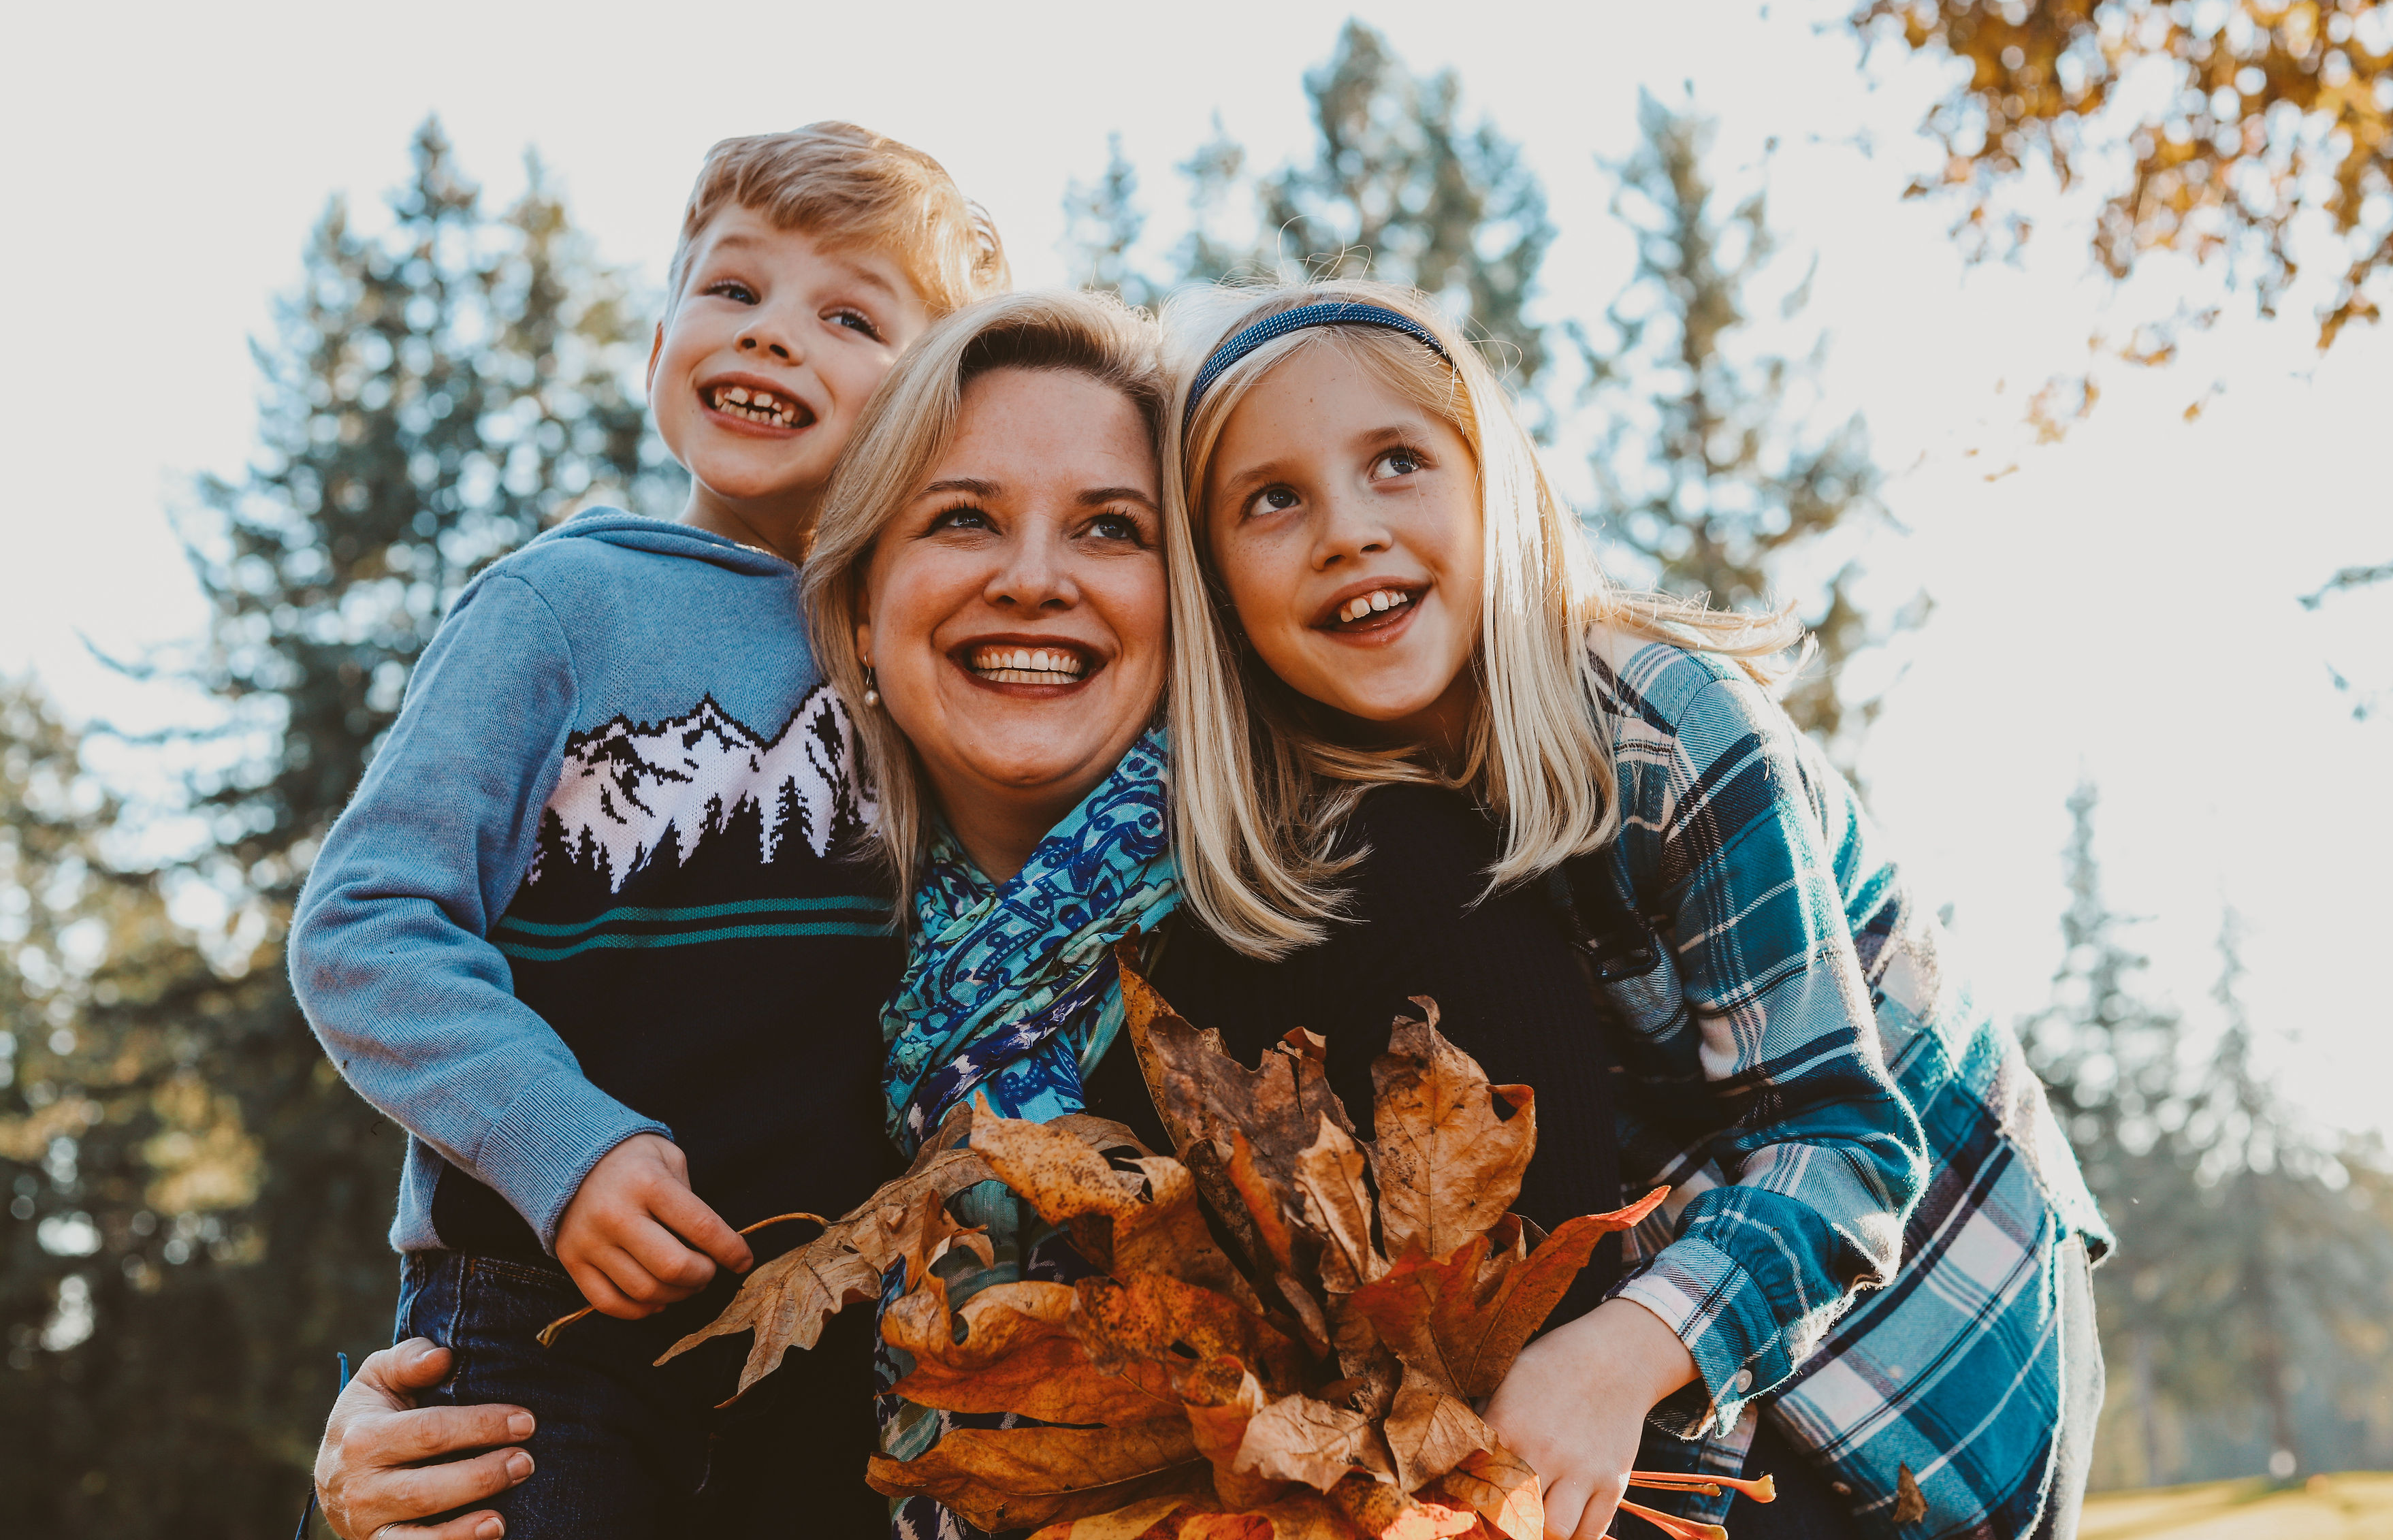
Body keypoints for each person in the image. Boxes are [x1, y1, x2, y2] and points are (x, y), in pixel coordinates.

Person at [1160, 280, 2110, 1540]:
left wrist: (1622, 1351)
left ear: (1496, 485)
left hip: (1938, 1336)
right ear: (1212, 579)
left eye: (1397, 461)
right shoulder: (1325, 817)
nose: (1348, 531)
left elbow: (1846, 1148)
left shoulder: (1668, 736)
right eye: (1273, 499)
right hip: (1720, 1353)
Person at [799, 287, 1627, 1539]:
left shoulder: (1369, 879)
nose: (1033, 581)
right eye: (964, 520)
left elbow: (1564, 1417)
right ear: (863, 606)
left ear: (1195, 602)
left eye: (1109, 530)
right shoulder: (794, 962)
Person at [288, 121, 1008, 1537]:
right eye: (732, 291)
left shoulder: (922, 648)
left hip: (828, 1320)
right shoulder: (562, 606)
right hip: (539, 1310)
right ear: (662, 329)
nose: (775, 336)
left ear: (933, 397)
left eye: (849, 315)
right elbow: (369, 922)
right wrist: (566, 1149)